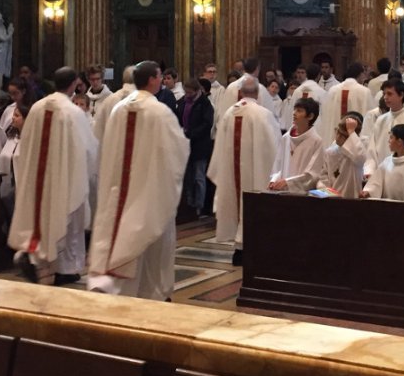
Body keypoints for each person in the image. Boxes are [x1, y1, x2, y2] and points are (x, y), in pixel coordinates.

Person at [85, 60, 189, 299]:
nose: (162, 79)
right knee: (154, 245)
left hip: (119, 188)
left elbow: (105, 146)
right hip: (150, 190)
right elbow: (176, 151)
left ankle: (123, 290)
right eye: (160, 75)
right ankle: (155, 292)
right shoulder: (160, 111)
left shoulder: (118, 109)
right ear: (152, 80)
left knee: (121, 231)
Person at [9, 65, 98, 285]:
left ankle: (38, 258)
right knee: (67, 220)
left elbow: (26, 141)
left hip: (40, 176)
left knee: (42, 215)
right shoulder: (74, 113)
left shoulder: (38, 107)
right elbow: (88, 149)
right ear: (75, 83)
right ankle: (64, 269)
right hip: (64, 178)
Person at [208, 76, 281, 250]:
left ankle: (239, 248)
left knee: (234, 201)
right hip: (255, 174)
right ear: (257, 93)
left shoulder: (228, 114)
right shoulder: (263, 115)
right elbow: (275, 148)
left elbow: (218, 148)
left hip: (231, 174)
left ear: (240, 93)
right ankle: (250, 247)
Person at [364, 77, 404, 179]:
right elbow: (372, 150)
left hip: (402, 175)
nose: (385, 97)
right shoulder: (380, 120)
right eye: (384, 94)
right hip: (380, 175)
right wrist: (370, 171)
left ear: (401, 95)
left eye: (390, 94)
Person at [176, 76, 213, 215]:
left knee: (199, 177)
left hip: (200, 145)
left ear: (197, 91)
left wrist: (191, 133)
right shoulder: (181, 103)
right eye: (186, 92)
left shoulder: (205, 104)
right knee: (188, 177)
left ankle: (199, 206)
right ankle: (189, 205)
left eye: (190, 93)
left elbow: (207, 123)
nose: (187, 95)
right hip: (185, 144)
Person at [268, 97, 324, 190]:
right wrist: (274, 180)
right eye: (294, 109)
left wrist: (288, 182)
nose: (294, 113)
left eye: (299, 111)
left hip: (303, 196)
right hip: (282, 193)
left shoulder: (316, 141)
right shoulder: (286, 138)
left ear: (310, 116)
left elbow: (312, 175)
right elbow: (278, 166)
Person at [361, 123, 404, 202]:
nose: (389, 141)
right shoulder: (387, 162)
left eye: (391, 138)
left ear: (399, 142)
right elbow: (376, 182)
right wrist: (368, 192)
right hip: (386, 208)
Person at [316, 61, 373, 142]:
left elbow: (325, 117)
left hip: (334, 139)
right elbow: (369, 119)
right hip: (356, 142)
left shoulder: (333, 90)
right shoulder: (364, 92)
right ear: (360, 74)